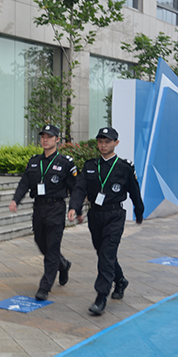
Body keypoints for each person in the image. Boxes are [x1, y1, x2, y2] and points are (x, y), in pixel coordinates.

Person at [68, 127, 144, 316]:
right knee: (103, 253)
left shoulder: (124, 168)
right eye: (100, 141)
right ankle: (121, 281)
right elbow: (80, 188)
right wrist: (74, 207)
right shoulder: (90, 166)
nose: (103, 145)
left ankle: (101, 296)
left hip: (115, 215)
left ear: (116, 143)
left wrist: (139, 212)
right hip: (95, 215)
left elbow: (134, 192)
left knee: (106, 255)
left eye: (107, 142)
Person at [9, 124, 77, 301]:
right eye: (43, 137)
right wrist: (15, 200)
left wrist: (74, 207)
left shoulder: (65, 163)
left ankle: (45, 287)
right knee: (41, 242)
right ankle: (63, 265)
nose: (45, 140)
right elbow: (24, 183)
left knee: (52, 247)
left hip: (56, 208)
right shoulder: (34, 161)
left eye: (49, 137)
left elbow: (75, 188)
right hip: (39, 208)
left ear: (57, 140)